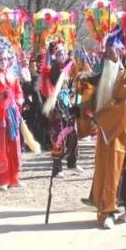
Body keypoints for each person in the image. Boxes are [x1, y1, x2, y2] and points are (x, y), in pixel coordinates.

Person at [89, 29, 126, 229]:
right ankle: (107, 208)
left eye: (113, 51)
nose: (109, 55)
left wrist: (99, 118)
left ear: (120, 53)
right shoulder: (104, 76)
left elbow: (122, 104)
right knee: (108, 170)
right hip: (107, 131)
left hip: (122, 132)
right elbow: (94, 100)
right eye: (107, 52)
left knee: (123, 171)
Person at [0, 39, 25, 190]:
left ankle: (14, 178)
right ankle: (3, 179)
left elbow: (19, 92)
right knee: (0, 146)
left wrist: (19, 100)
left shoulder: (13, 76)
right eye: (1, 59)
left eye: (6, 58)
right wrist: (2, 96)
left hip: (13, 115)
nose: (4, 61)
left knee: (14, 146)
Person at [42, 40, 81, 178]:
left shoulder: (69, 69)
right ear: (55, 56)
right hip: (56, 107)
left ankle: (72, 162)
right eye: (59, 54)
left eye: (64, 53)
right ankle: (57, 168)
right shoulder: (52, 70)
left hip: (68, 105)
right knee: (58, 136)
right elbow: (49, 86)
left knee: (73, 134)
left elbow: (72, 86)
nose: (62, 56)